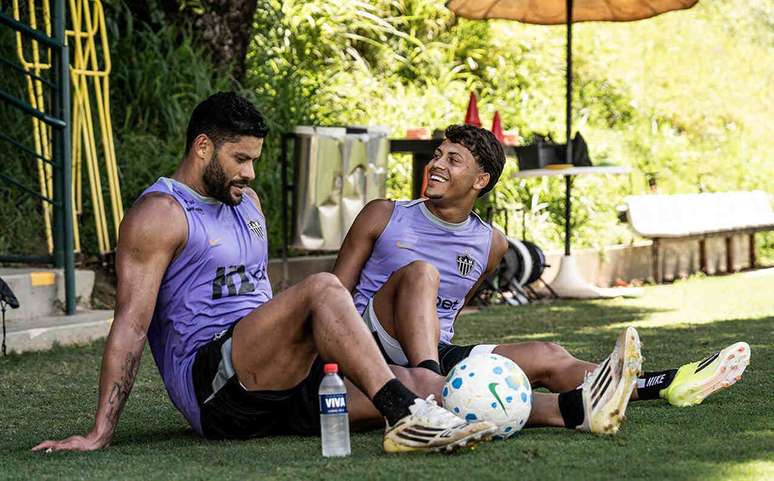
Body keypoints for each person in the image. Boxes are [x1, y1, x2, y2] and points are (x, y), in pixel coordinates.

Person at [32, 93, 504, 455]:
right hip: (217, 389)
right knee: (323, 288)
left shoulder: (246, 201)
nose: (251, 173)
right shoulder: (160, 214)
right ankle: (403, 420)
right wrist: (99, 432)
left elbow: (261, 296)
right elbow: (131, 327)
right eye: (241, 159)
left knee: (425, 384)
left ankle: (564, 409)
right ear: (202, 147)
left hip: (277, 377)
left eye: (254, 159)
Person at [332, 124, 751, 424]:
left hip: (433, 349)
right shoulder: (384, 214)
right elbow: (335, 294)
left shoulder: (491, 243)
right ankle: (434, 383)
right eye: (438, 155)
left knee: (548, 354)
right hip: (368, 339)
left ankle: (669, 382)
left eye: (452, 159)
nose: (436, 164)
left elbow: (451, 311)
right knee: (422, 274)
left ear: (480, 180)